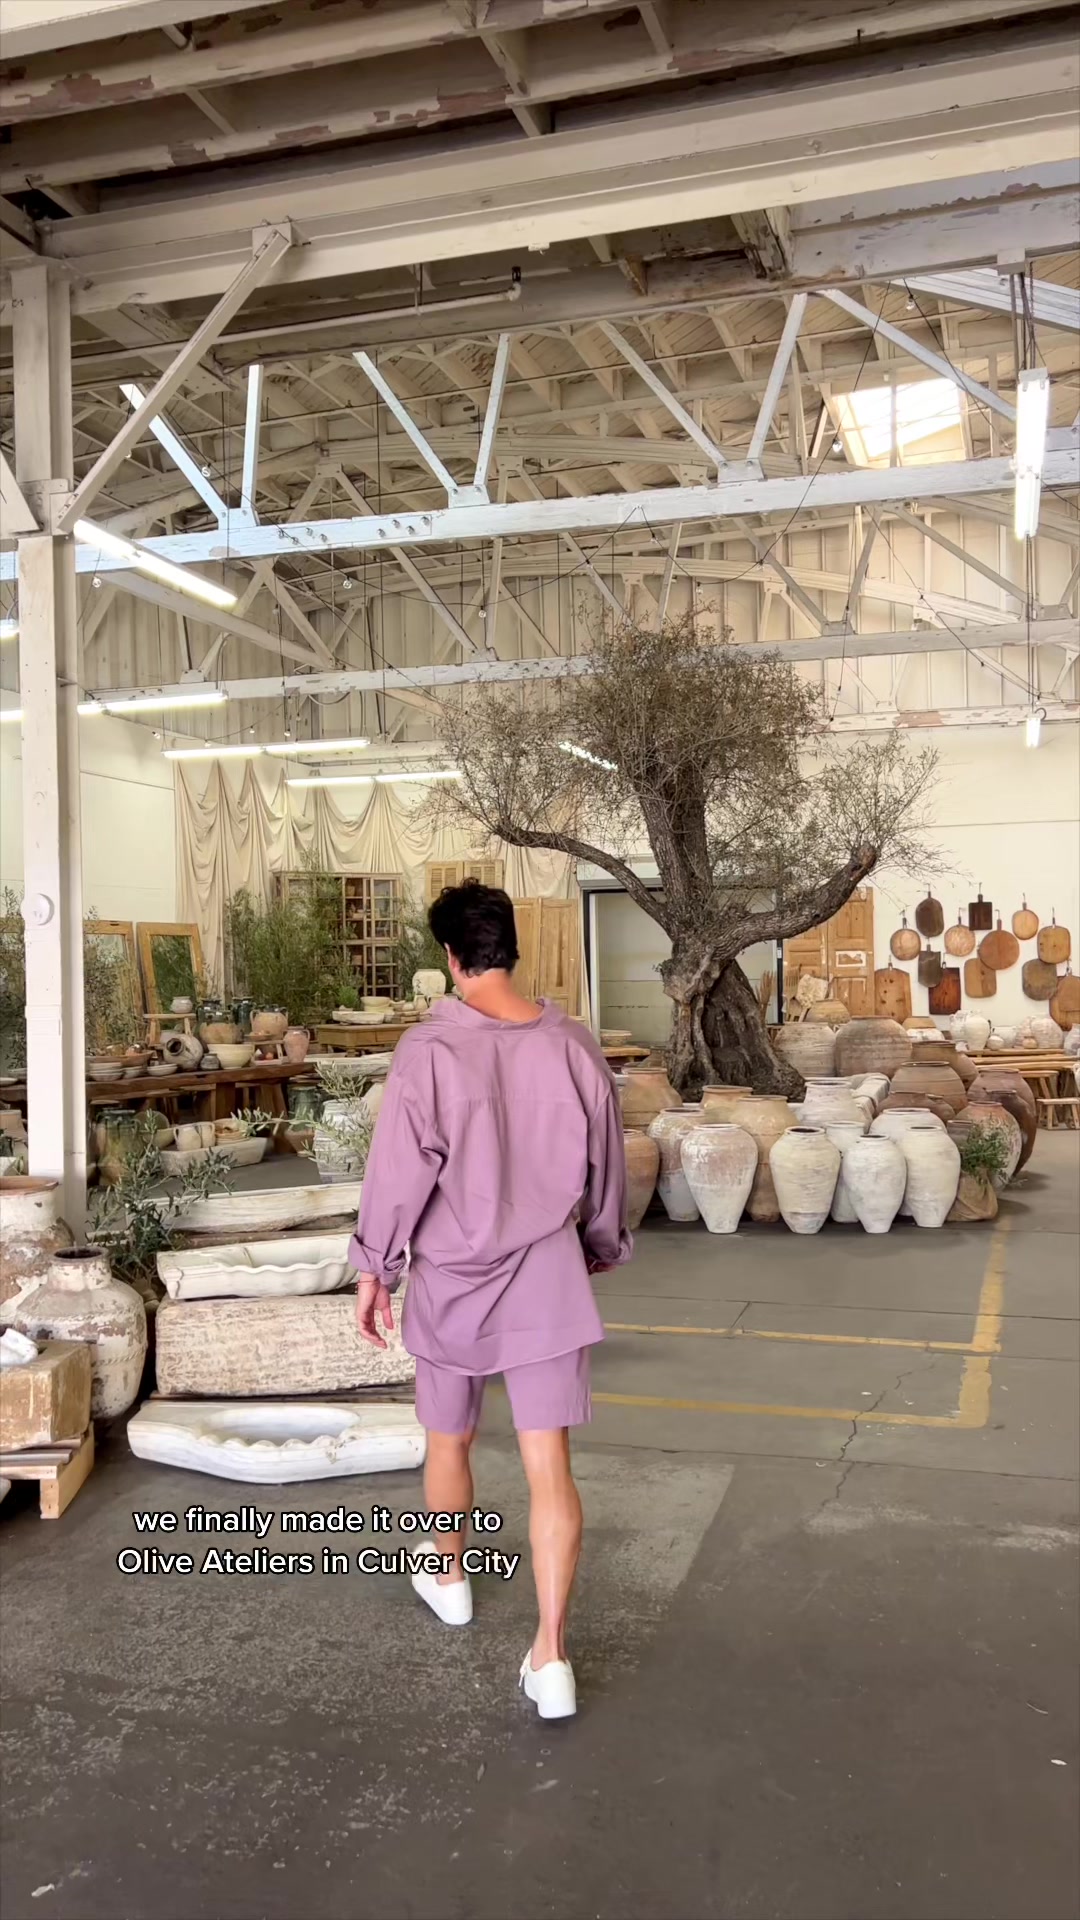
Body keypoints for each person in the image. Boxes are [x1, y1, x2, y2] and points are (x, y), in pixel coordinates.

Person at [350, 879, 630, 1720]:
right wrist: (599, 1243)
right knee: (550, 1465)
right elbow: (607, 1162)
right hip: (547, 1273)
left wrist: (374, 1268)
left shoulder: (428, 1050)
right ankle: (551, 1657)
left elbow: (398, 1172)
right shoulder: (572, 1044)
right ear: (511, 947)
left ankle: (448, 1577)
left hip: (451, 1277)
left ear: (449, 957)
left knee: (449, 1437)